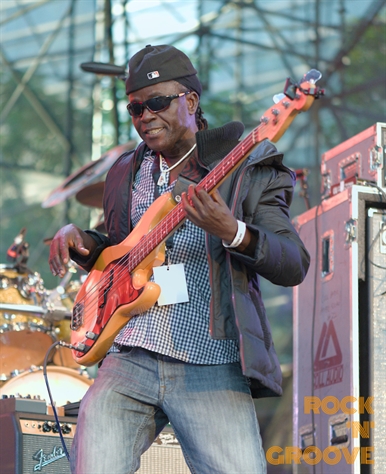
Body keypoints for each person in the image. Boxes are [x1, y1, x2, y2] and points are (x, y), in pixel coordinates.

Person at [49, 44, 310, 474]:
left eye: (156, 103)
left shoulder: (248, 164)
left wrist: (234, 232)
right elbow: (122, 249)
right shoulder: (126, 170)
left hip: (209, 362)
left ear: (190, 101)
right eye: (135, 109)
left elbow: (293, 262)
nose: (145, 116)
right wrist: (82, 242)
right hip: (129, 356)